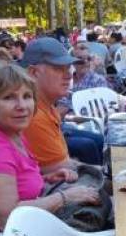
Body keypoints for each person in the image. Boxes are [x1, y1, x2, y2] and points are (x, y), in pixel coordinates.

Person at [0, 62, 117, 236]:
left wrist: (48, 179)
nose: (21, 106)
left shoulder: (14, 135)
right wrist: (64, 198)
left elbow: (22, 182)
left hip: (37, 234)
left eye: (27, 96)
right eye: (9, 98)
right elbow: (6, 217)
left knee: (115, 225)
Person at [21, 38, 81, 173]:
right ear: (33, 73)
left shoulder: (47, 105)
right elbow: (60, 168)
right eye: (59, 68)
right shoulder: (32, 115)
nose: (69, 75)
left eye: (68, 68)